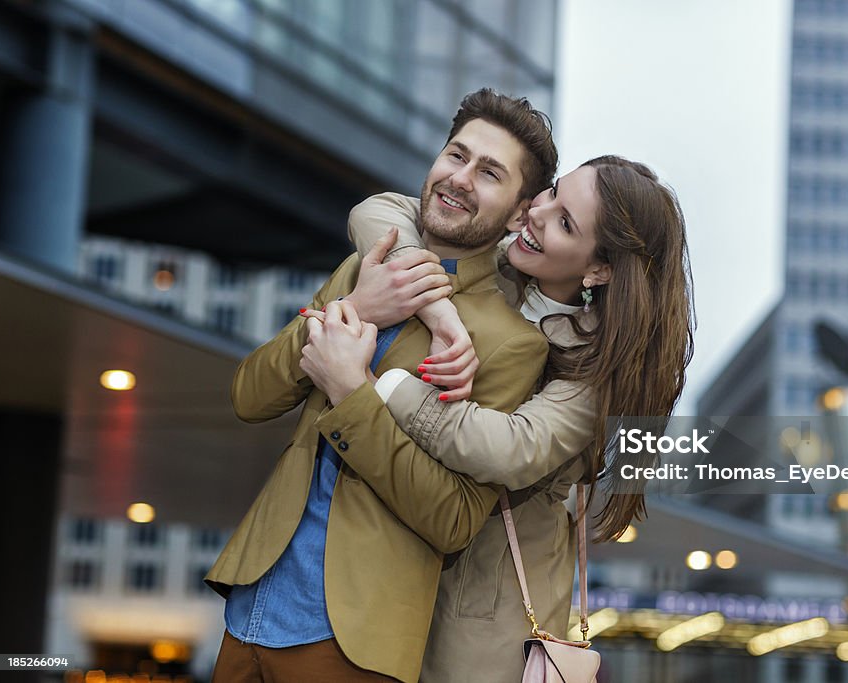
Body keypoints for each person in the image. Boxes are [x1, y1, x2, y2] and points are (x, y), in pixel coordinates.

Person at [205, 89, 559, 683]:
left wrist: (353, 395)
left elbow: (455, 519)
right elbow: (249, 396)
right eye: (456, 155)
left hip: (354, 634)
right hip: (253, 602)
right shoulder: (365, 264)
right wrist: (357, 304)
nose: (460, 178)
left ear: (521, 213)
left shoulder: (510, 343)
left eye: (490, 172)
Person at [305, 155, 695, 681]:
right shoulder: (491, 265)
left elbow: (512, 449)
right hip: (399, 572)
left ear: (599, 269)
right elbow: (378, 211)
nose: (538, 211)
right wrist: (443, 316)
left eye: (565, 222)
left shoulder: (595, 367)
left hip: (489, 612)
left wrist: (379, 388)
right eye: (553, 192)